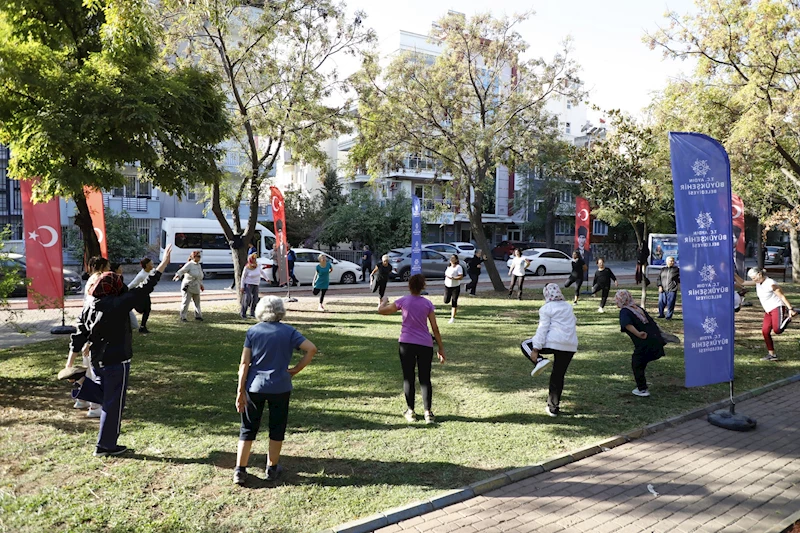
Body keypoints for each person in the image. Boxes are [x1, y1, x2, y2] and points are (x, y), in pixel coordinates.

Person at [58, 245, 173, 456]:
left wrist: (69, 364)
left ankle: (81, 382)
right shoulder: (118, 303)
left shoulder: (90, 305)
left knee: (106, 397)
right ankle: (105, 446)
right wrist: (164, 264)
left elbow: (79, 335)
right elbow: (146, 287)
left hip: (96, 360)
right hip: (116, 360)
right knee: (113, 404)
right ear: (113, 287)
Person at [233, 296, 317, 485]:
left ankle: (240, 469)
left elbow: (244, 363)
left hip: (254, 387)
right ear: (281, 311)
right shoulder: (289, 332)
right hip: (280, 387)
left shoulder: (253, 332)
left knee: (248, 428)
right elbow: (311, 349)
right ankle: (272, 468)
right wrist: (295, 369)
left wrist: (240, 391)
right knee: (277, 427)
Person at [378, 274, 445, 424]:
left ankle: (411, 411)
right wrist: (441, 347)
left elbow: (382, 311)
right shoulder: (427, 304)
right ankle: (428, 413)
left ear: (409, 286)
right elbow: (435, 328)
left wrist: (383, 302)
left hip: (406, 344)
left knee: (408, 377)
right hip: (425, 344)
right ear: (423, 287)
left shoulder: (403, 301)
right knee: (425, 378)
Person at [520, 284, 578, 417]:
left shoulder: (546, 308)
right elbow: (573, 321)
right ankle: (553, 408)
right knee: (558, 375)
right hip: (570, 345)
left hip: (553, 342)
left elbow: (542, 329)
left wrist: (536, 349)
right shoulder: (568, 306)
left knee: (525, 344)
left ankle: (540, 360)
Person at [69, 256, 110, 419]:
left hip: (88, 327)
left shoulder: (92, 280)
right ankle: (95, 406)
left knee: (88, 369)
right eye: (107, 265)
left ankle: (82, 399)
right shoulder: (99, 279)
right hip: (92, 329)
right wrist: (91, 341)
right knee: (94, 371)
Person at [615, 289, 665, 397]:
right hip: (655, 339)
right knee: (641, 362)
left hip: (645, 342)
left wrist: (638, 334)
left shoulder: (625, 311)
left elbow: (627, 324)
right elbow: (652, 322)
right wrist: (661, 333)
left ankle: (642, 389)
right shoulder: (638, 308)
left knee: (637, 363)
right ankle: (642, 384)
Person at [747, 267, 797, 361]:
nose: (753, 280)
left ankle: (789, 316)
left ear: (759, 274)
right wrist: (732, 274)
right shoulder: (758, 282)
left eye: (754, 278)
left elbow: (782, 296)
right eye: (752, 278)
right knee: (765, 331)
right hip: (768, 310)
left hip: (777, 307)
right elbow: (742, 283)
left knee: (777, 330)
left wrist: (790, 308)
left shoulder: (771, 283)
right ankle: (772, 355)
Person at [173, 250, 204, 322]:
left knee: (197, 302)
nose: (199, 258)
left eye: (200, 256)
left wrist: (201, 285)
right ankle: (183, 317)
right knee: (185, 302)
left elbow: (199, 276)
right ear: (194, 257)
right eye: (198, 256)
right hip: (188, 286)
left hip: (196, 286)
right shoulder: (189, 264)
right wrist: (177, 275)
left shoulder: (199, 265)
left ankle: (198, 316)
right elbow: (181, 271)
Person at [128, 257, 155, 333]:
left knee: (147, 309)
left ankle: (143, 327)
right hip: (138, 294)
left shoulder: (152, 271)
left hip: (146, 294)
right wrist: (124, 290)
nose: (153, 265)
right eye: (151, 264)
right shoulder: (141, 275)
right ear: (147, 265)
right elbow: (133, 284)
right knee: (141, 309)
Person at [240, 253, 268, 319]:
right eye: (253, 259)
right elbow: (243, 277)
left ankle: (252, 313)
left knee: (255, 299)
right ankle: (243, 313)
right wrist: (242, 286)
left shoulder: (258, 266)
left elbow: (262, 272)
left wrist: (266, 278)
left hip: (256, 284)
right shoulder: (247, 267)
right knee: (247, 298)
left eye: (255, 259)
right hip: (248, 284)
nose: (254, 261)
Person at [443, 255, 464, 324]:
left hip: (455, 286)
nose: (451, 259)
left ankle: (452, 318)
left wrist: (453, 278)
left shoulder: (458, 267)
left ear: (456, 260)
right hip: (447, 286)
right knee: (446, 301)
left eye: (453, 258)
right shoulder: (448, 267)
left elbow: (461, 277)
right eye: (451, 258)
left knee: (454, 301)